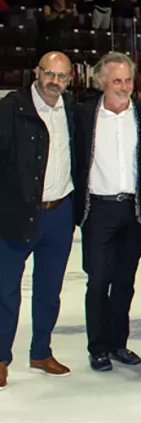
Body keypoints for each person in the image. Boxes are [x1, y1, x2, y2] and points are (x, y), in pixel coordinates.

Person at [73, 53, 141, 371]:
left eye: (127, 80)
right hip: (98, 209)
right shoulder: (83, 115)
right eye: (116, 81)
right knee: (98, 280)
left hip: (133, 211)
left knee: (125, 281)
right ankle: (97, 346)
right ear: (101, 82)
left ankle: (118, 343)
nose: (123, 87)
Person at [0, 52, 77, 388]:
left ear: (70, 79)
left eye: (61, 76)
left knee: (49, 289)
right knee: (5, 291)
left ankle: (41, 352)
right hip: (17, 211)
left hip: (59, 212)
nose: (54, 82)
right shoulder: (10, 108)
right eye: (49, 74)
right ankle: (1, 358)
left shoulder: (71, 109)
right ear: (36, 72)